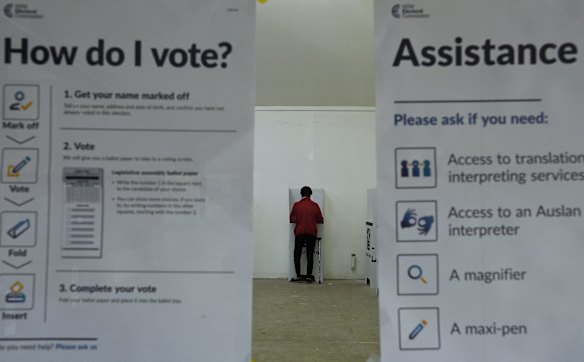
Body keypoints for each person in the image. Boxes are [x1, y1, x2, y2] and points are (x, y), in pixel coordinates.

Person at [289, 186, 324, 283]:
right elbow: (320, 220)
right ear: (310, 194)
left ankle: (298, 275)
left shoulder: (296, 205)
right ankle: (309, 276)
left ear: (301, 194)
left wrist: (299, 219)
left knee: (297, 254)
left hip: (299, 232)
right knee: (310, 254)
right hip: (311, 232)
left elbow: (291, 219)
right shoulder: (315, 205)